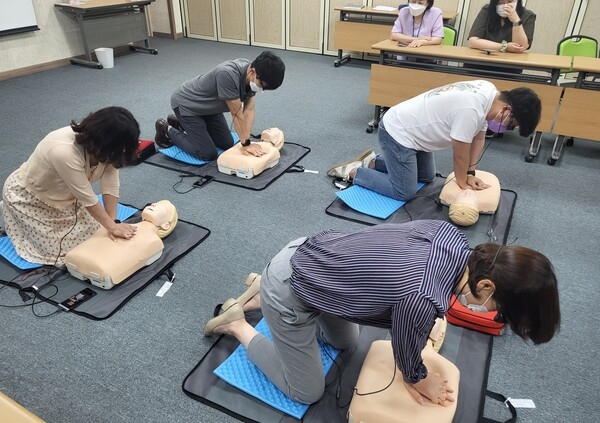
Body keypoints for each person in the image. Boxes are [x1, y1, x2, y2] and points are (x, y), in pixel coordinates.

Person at [203, 220, 560, 406]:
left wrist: (423, 321)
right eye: (498, 310)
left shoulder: (449, 237)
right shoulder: (421, 298)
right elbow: (409, 364)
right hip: (292, 289)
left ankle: (262, 284)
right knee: (306, 391)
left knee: (347, 342)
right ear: (486, 288)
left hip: (317, 257)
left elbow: (398, 279)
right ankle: (239, 323)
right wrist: (421, 379)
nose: (491, 314)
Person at [328, 80, 541, 201]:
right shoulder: (470, 109)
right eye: (512, 125)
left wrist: (470, 173)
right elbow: (459, 156)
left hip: (416, 136)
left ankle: (376, 162)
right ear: (507, 109)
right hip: (397, 133)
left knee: (427, 177)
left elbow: (478, 136)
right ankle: (355, 171)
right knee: (404, 192)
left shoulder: (489, 93)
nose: (507, 128)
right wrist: (463, 185)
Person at [0, 107, 140, 265]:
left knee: (97, 235)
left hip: (67, 197)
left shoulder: (107, 144)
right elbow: (87, 197)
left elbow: (110, 182)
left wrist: (113, 222)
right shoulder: (63, 151)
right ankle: (10, 211)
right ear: (108, 144)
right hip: (30, 200)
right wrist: (111, 227)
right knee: (62, 253)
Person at [154, 51, 286, 161]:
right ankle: (166, 129)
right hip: (187, 104)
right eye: (262, 84)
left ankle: (180, 124)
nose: (261, 89)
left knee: (227, 143)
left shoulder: (253, 76)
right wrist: (246, 144)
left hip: (209, 109)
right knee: (207, 153)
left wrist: (246, 139)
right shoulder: (228, 74)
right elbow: (237, 114)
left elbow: (249, 110)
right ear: (252, 71)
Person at [64, 200, 178, 288]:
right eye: (154, 203)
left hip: (96, 269)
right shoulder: (119, 225)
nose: (153, 204)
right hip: (84, 262)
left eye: (160, 207)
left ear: (166, 225)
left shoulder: (153, 241)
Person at [467, 0, 536, 54]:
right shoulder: (487, 10)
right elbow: (473, 42)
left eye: (510, 1)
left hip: (509, 66)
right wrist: (504, 47)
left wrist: (516, 21)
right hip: (481, 61)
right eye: (501, 2)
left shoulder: (528, 16)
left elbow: (520, 47)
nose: (505, 6)